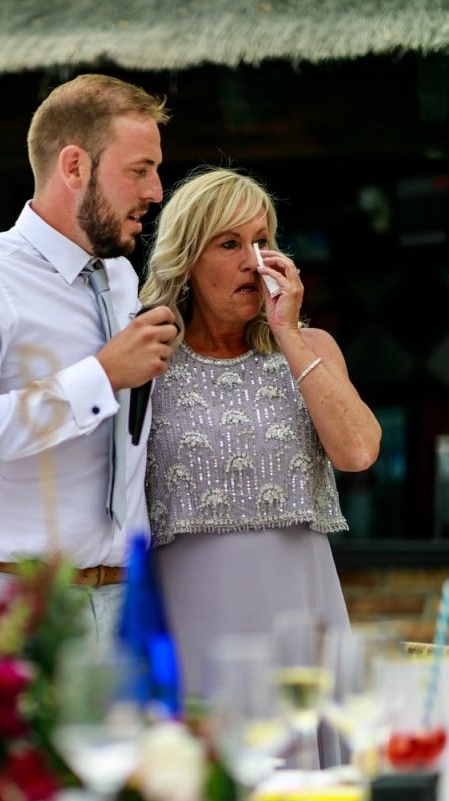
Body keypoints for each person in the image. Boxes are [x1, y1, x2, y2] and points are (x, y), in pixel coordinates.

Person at [0, 74, 177, 634]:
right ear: (74, 166)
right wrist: (101, 376)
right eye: (139, 170)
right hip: (14, 604)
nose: (156, 191)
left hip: (126, 604)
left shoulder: (125, 280)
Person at [139, 166, 381, 695]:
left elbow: (359, 452)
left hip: (301, 613)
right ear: (188, 259)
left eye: (262, 241)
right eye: (229, 243)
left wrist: (287, 334)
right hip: (189, 617)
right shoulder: (147, 360)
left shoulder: (310, 348)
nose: (253, 261)